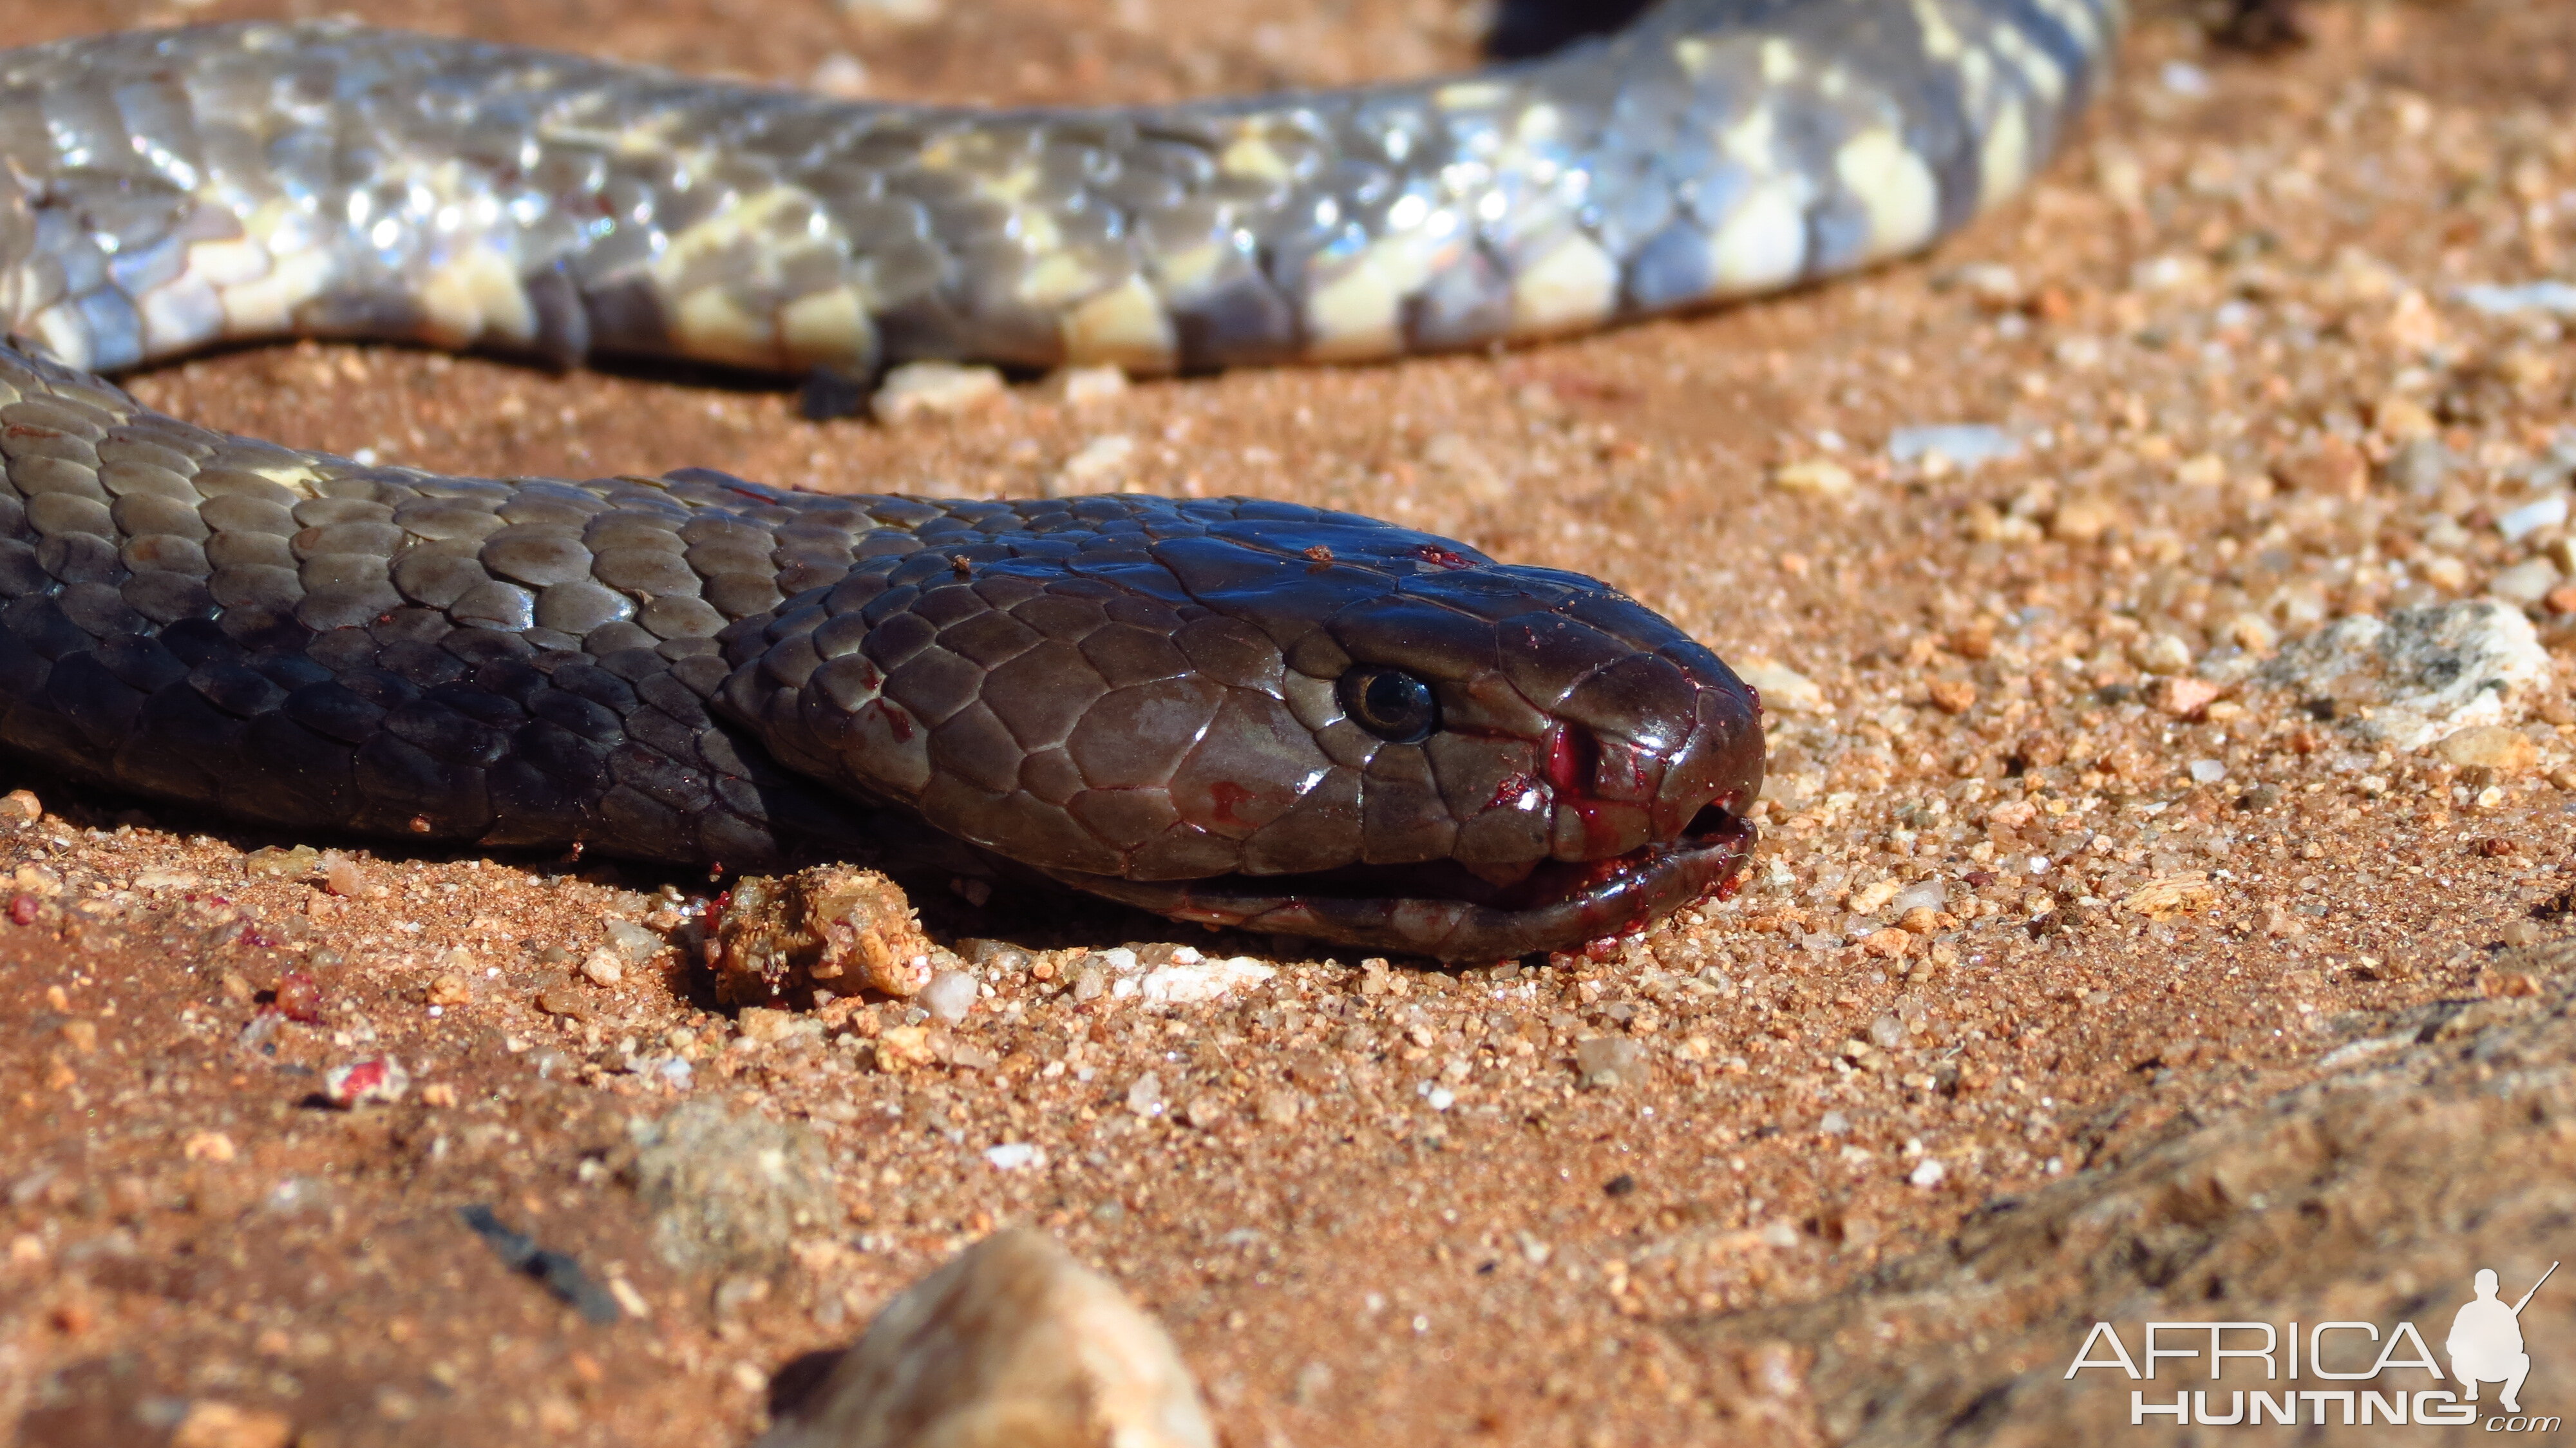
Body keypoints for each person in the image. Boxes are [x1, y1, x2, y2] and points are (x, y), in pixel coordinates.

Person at [2449, 1269, 2533, 1414]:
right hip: (2473, 1367)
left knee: (2523, 1360)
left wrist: (2500, 1341)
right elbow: (2453, 1343)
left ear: (2496, 1289)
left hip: (2498, 1366)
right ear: (2476, 1289)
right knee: (2457, 1358)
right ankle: (2471, 1386)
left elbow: (2518, 1345)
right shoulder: (2467, 1310)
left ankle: (2508, 1396)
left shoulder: (2504, 1311)